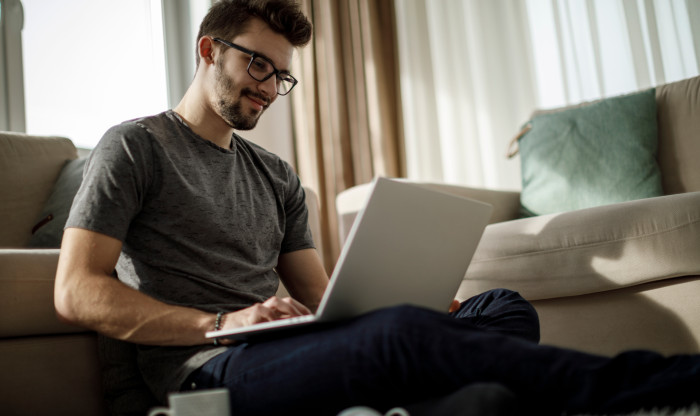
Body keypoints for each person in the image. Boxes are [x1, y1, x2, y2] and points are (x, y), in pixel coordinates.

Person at [55, 1, 700, 415]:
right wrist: (221, 322)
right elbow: (75, 291)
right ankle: (653, 390)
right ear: (207, 50)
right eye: (257, 65)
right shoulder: (135, 147)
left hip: (289, 348)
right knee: (401, 340)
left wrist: (407, 294)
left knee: (501, 306)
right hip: (213, 372)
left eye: (281, 76)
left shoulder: (274, 173)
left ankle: (442, 397)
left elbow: (322, 294)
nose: (270, 88)